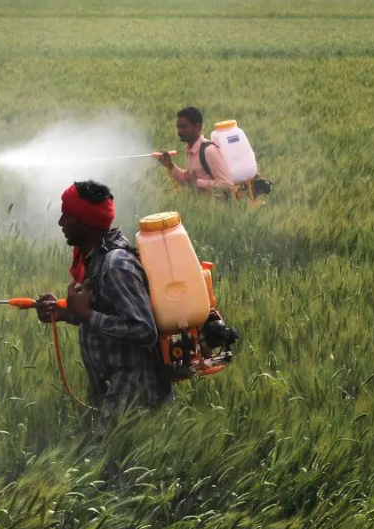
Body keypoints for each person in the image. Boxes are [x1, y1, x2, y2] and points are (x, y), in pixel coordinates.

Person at [35, 180, 173, 433]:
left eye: (67, 216)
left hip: (135, 392)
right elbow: (110, 312)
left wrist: (87, 315)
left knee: (114, 467)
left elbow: (144, 329)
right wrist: (66, 313)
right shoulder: (95, 259)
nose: (60, 223)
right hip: (115, 388)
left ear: (85, 223)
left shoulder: (115, 265)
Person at [159, 106, 234, 197]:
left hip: (216, 208)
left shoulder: (209, 151)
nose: (179, 131)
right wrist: (169, 165)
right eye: (178, 127)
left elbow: (227, 185)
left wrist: (198, 182)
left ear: (197, 126)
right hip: (203, 208)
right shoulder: (192, 151)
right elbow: (188, 181)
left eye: (183, 127)